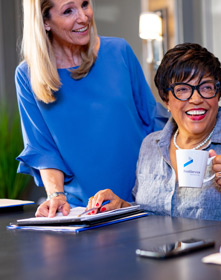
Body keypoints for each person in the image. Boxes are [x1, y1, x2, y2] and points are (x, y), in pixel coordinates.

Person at [87, 43, 221, 222]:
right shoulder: (150, 146)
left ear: (218, 94)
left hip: (217, 253)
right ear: (166, 100)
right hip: (156, 254)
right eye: (183, 90)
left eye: (206, 87)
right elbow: (147, 214)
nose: (196, 99)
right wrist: (121, 207)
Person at [15, 0, 165, 217]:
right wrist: (56, 195)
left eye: (85, 4)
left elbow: (153, 122)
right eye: (68, 11)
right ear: (45, 21)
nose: (83, 17)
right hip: (81, 210)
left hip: (139, 200)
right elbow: (43, 149)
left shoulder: (119, 51)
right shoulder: (27, 75)